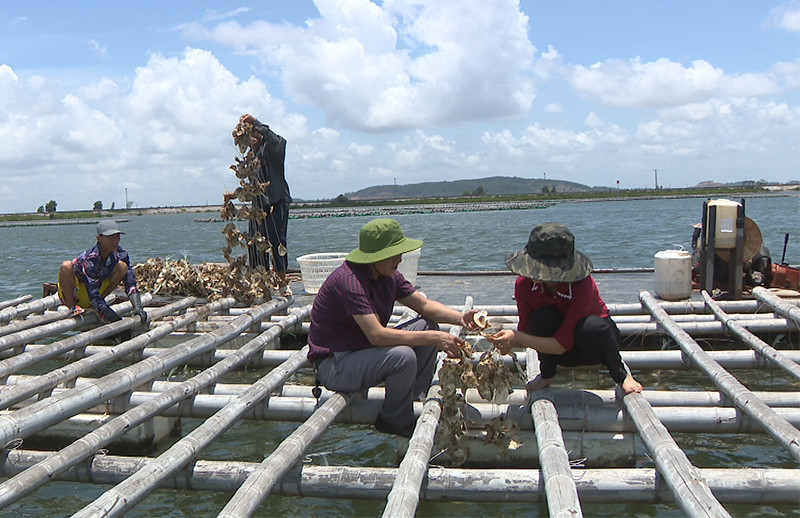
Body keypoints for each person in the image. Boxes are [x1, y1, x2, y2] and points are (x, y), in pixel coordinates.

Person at [307, 218, 480, 438]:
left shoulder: (388, 276)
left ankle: (413, 396)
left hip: (362, 352)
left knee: (426, 323)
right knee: (403, 356)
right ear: (376, 256)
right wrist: (435, 337)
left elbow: (425, 306)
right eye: (395, 253)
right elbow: (377, 335)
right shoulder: (348, 281)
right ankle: (395, 420)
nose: (400, 258)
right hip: (335, 364)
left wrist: (461, 318)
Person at [487, 223, 643, 395]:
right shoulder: (524, 284)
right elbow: (526, 329)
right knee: (541, 318)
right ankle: (547, 374)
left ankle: (621, 375)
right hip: (556, 350)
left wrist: (517, 338)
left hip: (592, 347)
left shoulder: (581, 285)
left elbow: (561, 344)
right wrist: (509, 341)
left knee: (594, 326)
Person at [240, 113, 292, 296]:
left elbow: (277, 142)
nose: (251, 136)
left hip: (276, 201)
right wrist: (233, 195)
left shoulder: (272, 147)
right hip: (258, 208)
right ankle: (262, 284)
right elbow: (251, 187)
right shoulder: (252, 157)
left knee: (278, 243)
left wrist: (256, 123)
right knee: (255, 244)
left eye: (254, 132)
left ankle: (282, 283)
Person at [57, 220, 147, 324]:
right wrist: (114, 318)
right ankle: (73, 307)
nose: (115, 241)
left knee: (123, 267)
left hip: (95, 293)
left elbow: (130, 281)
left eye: (117, 236)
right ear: (99, 238)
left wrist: (137, 306)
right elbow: (93, 293)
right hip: (77, 293)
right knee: (66, 266)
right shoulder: (91, 259)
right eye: (110, 237)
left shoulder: (121, 254)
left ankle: (99, 305)